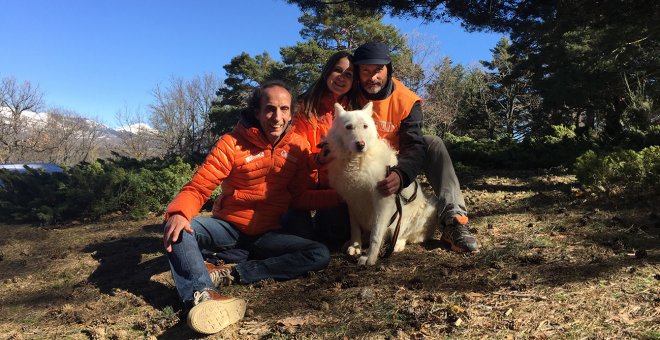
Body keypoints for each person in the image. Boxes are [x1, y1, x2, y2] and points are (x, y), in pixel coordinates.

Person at [163, 80, 341, 335]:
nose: (277, 117)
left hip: (269, 234)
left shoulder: (298, 146)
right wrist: (180, 213)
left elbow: (300, 198)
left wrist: (343, 197)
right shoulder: (231, 143)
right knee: (179, 227)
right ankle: (202, 295)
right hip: (229, 226)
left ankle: (233, 273)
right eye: (269, 109)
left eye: (284, 109)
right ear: (256, 112)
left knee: (319, 254)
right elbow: (199, 186)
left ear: (292, 112)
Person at [349, 42, 479, 253]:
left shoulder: (407, 101)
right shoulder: (349, 94)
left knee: (433, 143)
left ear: (388, 70)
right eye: (365, 71)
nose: (372, 77)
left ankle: (454, 221)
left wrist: (401, 174)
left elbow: (414, 145)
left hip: (396, 163)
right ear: (357, 73)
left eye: (378, 70)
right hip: (357, 164)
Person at [286, 51, 354, 248]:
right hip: (301, 186)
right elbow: (295, 149)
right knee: (298, 241)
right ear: (327, 73)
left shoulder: (355, 110)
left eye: (348, 74)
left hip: (333, 187)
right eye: (337, 70)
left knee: (334, 239)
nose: (341, 77)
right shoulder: (302, 107)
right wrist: (317, 159)